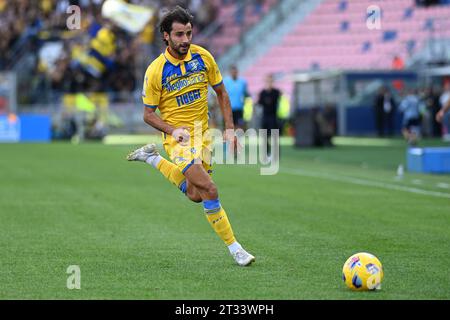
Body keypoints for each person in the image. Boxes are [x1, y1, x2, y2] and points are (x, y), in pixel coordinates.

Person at [126, 6, 255, 266]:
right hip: (179, 140)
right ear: (166, 36)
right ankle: (236, 249)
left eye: (188, 33)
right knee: (210, 189)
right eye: (179, 35)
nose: (185, 40)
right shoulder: (156, 70)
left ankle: (151, 159)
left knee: (196, 195)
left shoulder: (203, 57)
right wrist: (174, 131)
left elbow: (221, 93)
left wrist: (230, 130)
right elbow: (148, 115)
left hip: (204, 135)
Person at [258, 74, 281, 156]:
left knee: (274, 135)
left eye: (270, 81)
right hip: (265, 116)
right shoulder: (262, 92)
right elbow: (260, 103)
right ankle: (267, 153)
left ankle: (275, 153)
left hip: (273, 116)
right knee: (265, 135)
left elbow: (275, 100)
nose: (269, 82)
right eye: (268, 81)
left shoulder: (276, 92)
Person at [223, 65, 249, 129]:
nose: (234, 73)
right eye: (232, 72)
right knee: (229, 127)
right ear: (230, 72)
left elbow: (246, 94)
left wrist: (245, 105)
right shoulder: (225, 82)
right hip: (228, 109)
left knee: (239, 127)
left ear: (237, 72)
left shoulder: (242, 82)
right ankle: (230, 138)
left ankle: (238, 138)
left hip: (239, 109)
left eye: (235, 72)